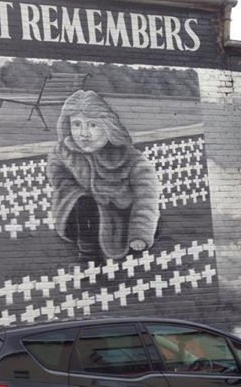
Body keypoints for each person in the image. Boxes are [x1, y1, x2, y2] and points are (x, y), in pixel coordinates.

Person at [47, 90, 161, 260]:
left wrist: (140, 233)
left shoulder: (132, 159)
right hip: (81, 216)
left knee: (140, 233)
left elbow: (146, 197)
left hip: (119, 220)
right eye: (76, 124)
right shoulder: (63, 151)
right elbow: (58, 177)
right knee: (84, 202)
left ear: (108, 126)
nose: (83, 133)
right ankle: (88, 254)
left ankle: (133, 238)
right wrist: (77, 192)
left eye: (92, 125)